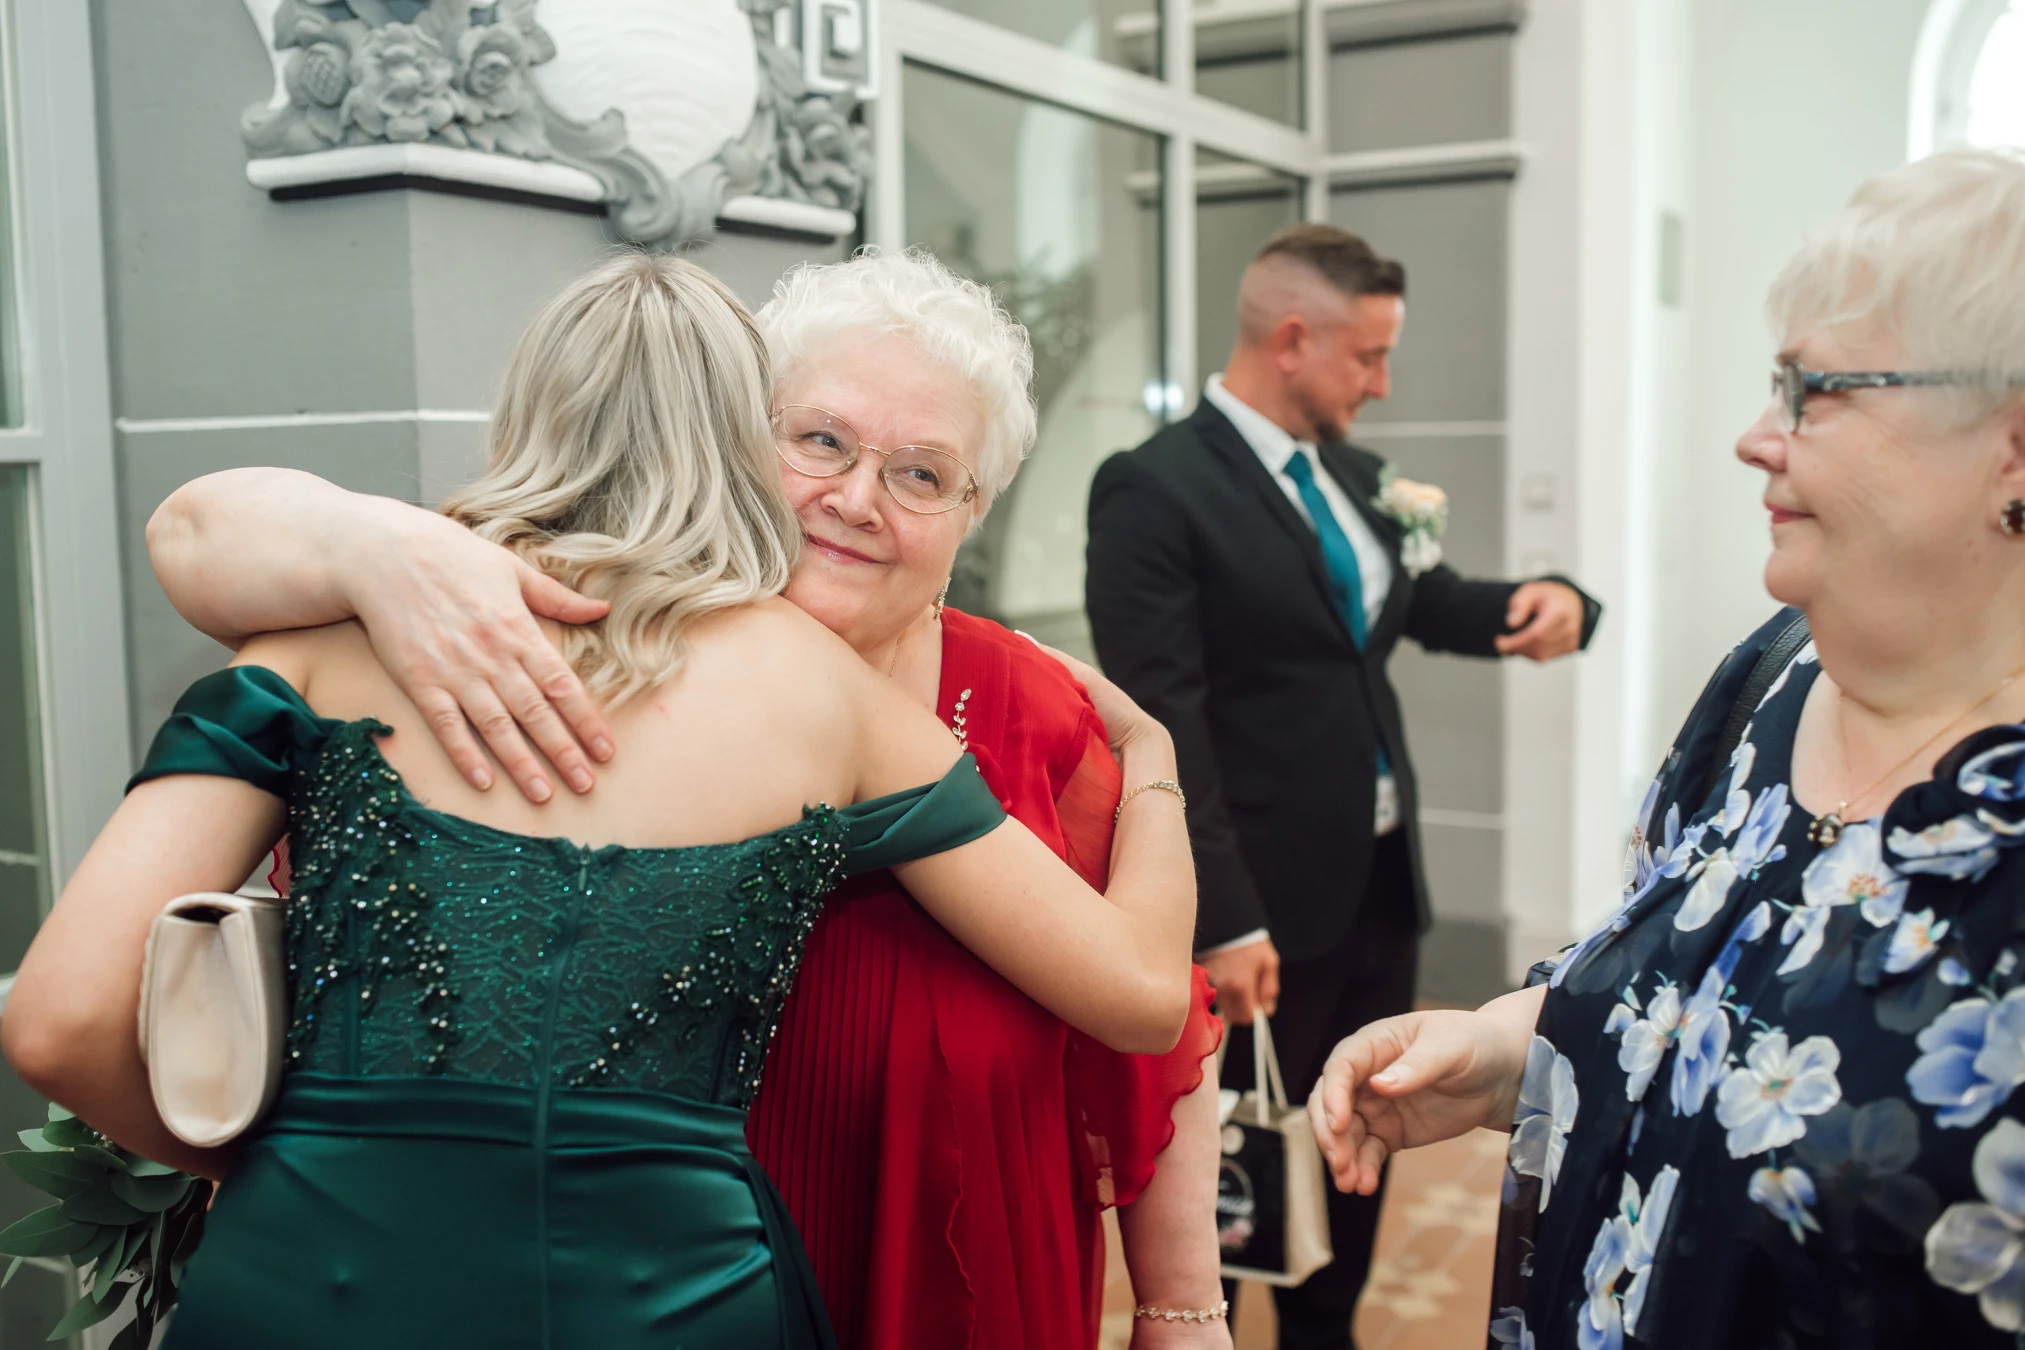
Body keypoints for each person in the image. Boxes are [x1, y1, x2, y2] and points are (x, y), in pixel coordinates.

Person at [1, 251, 1202, 1350]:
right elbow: (1143, 999)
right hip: (669, 1302)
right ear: (745, 435)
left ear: (524, 411)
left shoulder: (312, 653)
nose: (854, 498)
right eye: (821, 444)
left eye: (919, 473)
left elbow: (57, 1022)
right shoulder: (828, 703)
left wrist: (263, 1164)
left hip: (313, 1285)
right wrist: (1151, 759)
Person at [1309, 148, 2025, 1348]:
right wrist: (1502, 1049)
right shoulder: (1766, 681)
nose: (1757, 437)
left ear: (2011, 442)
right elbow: (1675, 984)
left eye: (1815, 391)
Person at [1084, 222, 1600, 1348]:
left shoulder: (1358, 481)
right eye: (1367, 357)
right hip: (1258, 900)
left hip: (1374, 881)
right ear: (1293, 339)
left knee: (1362, 1122)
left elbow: (1431, 603)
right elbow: (1163, 721)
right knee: (1245, 1158)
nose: (1381, 382)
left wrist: (1555, 598)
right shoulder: (1154, 490)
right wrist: (1222, 914)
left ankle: (1331, 1333)